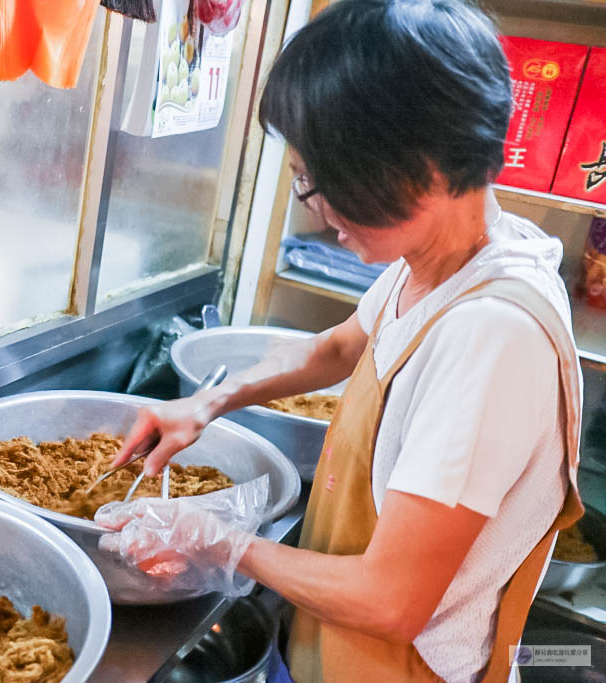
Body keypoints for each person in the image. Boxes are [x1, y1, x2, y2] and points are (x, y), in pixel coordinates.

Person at [95, 1, 584, 681]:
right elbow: (336, 348)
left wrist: (217, 540)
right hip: (329, 642)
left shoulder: (492, 340)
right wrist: (205, 404)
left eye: (318, 180)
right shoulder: (448, 260)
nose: (311, 205)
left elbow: (389, 602)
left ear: (422, 169)